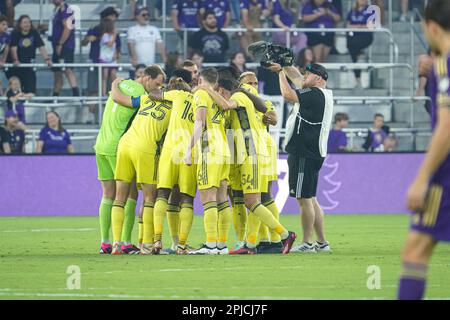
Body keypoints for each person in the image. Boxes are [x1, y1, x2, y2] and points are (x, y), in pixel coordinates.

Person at [196, 70, 298, 255]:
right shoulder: (246, 98)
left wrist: (206, 89)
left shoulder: (239, 97)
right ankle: (256, 242)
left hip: (250, 152)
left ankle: (279, 236)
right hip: (242, 153)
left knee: (254, 200)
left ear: (223, 90)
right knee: (249, 200)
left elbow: (227, 105)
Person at [398, 0, 450, 300]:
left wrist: (421, 178)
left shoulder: (444, 63)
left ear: (431, 27)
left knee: (416, 250)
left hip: (445, 176)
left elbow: (446, 126)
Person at [268, 62, 333, 253]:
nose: (304, 77)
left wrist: (280, 72)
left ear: (319, 78)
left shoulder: (313, 94)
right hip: (312, 151)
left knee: (304, 199)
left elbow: (288, 95)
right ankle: (321, 242)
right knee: (311, 198)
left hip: (305, 150)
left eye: (309, 74)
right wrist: (286, 64)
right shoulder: (321, 93)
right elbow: (297, 78)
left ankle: (306, 242)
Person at [109, 65, 169, 255]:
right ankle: (147, 244)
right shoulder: (174, 105)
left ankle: (116, 244)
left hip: (124, 145)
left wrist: (114, 83)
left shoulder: (145, 98)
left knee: (120, 196)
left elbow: (117, 98)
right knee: (150, 196)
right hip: (145, 148)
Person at [94, 68, 150, 255]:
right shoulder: (141, 93)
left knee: (107, 194)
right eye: (155, 82)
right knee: (130, 193)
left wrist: (114, 83)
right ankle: (125, 241)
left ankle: (105, 242)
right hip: (118, 146)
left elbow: (115, 97)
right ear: (144, 78)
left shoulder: (119, 85)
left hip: (100, 144)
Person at [148, 69, 197, 255]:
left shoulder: (176, 94)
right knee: (186, 198)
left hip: (170, 149)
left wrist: (163, 90)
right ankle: (182, 245)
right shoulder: (199, 99)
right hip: (190, 152)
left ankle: (157, 240)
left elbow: (153, 94)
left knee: (162, 194)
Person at [8, 15, 52, 94]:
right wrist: (15, 60)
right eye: (24, 22)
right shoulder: (15, 33)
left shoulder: (34, 33)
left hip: (29, 65)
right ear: (20, 24)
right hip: (17, 66)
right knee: (16, 90)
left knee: (31, 89)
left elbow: (41, 47)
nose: (27, 24)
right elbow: (13, 49)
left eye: (29, 22)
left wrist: (47, 59)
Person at [82, 7, 121, 96]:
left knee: (111, 85)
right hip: (96, 62)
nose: (115, 19)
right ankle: (94, 109)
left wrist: (117, 54)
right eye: (113, 16)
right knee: (94, 90)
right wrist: (88, 39)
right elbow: (84, 42)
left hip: (110, 61)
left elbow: (118, 46)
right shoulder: (96, 29)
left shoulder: (113, 32)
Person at [50, 0, 79, 98]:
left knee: (68, 69)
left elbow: (67, 28)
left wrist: (60, 43)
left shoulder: (66, 10)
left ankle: (76, 94)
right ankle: (55, 96)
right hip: (57, 47)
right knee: (57, 72)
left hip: (65, 47)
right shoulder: (57, 10)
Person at [346, 0, 374, 89]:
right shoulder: (352, 10)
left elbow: (370, 25)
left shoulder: (370, 10)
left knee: (352, 47)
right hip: (354, 36)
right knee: (352, 47)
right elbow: (348, 25)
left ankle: (358, 77)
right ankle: (359, 57)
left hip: (366, 36)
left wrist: (356, 26)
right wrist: (361, 26)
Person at [0, 15, 10, 95]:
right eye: (3, 24)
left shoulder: (7, 36)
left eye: (6, 24)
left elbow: (6, 49)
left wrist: (3, 60)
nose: (5, 26)